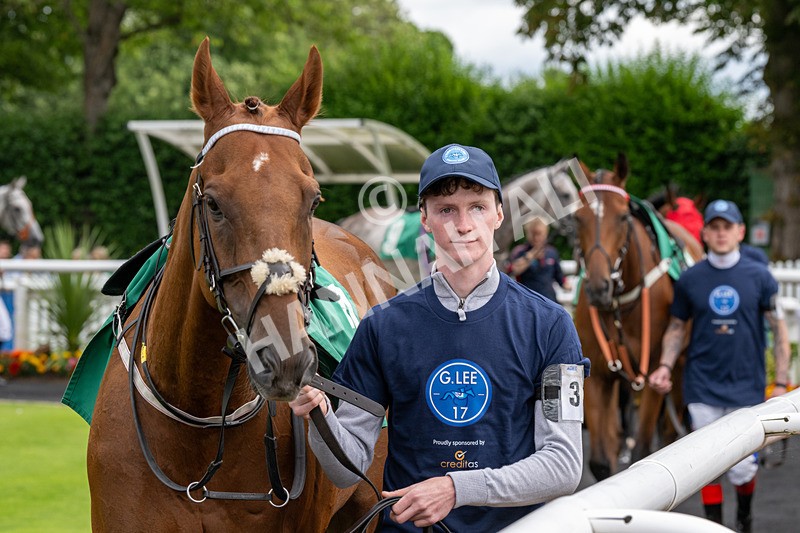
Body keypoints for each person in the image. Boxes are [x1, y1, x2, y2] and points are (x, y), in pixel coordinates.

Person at [290, 143, 590, 532]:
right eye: (446, 209)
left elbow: (564, 465)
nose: (462, 224)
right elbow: (347, 469)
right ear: (426, 219)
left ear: (499, 214)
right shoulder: (382, 327)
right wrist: (320, 415)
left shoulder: (550, 324)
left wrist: (455, 488)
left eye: (477, 207)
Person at [649, 199, 790, 533]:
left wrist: (782, 381)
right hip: (702, 385)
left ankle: (744, 520)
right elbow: (677, 328)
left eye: (728, 226)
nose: (721, 233)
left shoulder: (761, 277)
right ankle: (714, 525)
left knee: (743, 469)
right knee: (707, 463)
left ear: (740, 232)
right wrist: (665, 367)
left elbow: (780, 331)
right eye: (714, 227)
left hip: (747, 385)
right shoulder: (690, 280)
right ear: (705, 233)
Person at [506, 218, 570, 302]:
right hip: (527, 301)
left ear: (545, 234)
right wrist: (530, 257)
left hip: (548, 300)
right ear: (528, 233)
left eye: (539, 234)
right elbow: (512, 270)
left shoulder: (551, 252)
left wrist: (570, 286)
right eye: (533, 234)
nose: (536, 238)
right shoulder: (520, 252)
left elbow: (560, 277)